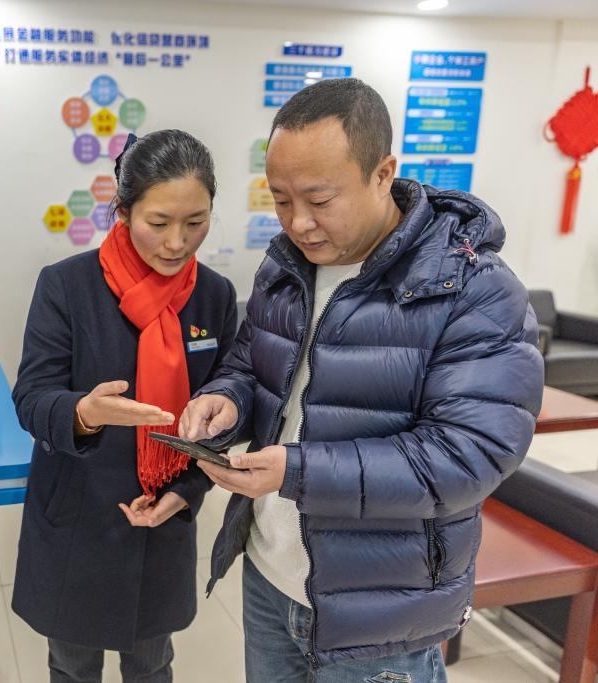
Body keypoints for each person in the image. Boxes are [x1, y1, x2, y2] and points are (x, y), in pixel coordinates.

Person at [179, 78, 544, 682]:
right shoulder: (285, 265)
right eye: (280, 199)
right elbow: (251, 362)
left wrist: (297, 471)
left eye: (320, 199)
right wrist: (227, 399)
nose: (299, 222)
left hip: (382, 612)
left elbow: (467, 457)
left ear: (383, 174)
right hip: (269, 574)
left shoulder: (473, 290)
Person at [10, 129, 237, 682]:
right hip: (79, 517)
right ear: (123, 210)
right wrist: (84, 413)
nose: (177, 243)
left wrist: (185, 493)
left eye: (196, 222)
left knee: (152, 664)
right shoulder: (67, 286)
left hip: (161, 519)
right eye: (158, 223)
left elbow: (223, 413)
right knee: (72, 666)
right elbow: (32, 397)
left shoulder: (215, 296)